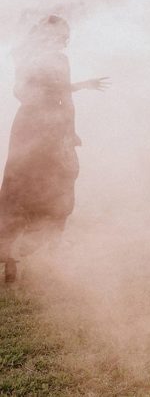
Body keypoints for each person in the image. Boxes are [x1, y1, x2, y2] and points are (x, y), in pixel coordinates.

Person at [0, 15, 109, 283]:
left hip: (34, 127)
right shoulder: (46, 59)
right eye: (61, 35)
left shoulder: (29, 57)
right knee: (41, 189)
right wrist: (79, 88)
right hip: (41, 129)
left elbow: (36, 95)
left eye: (65, 36)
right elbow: (41, 94)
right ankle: (25, 260)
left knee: (35, 188)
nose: (64, 40)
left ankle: (24, 261)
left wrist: (70, 132)